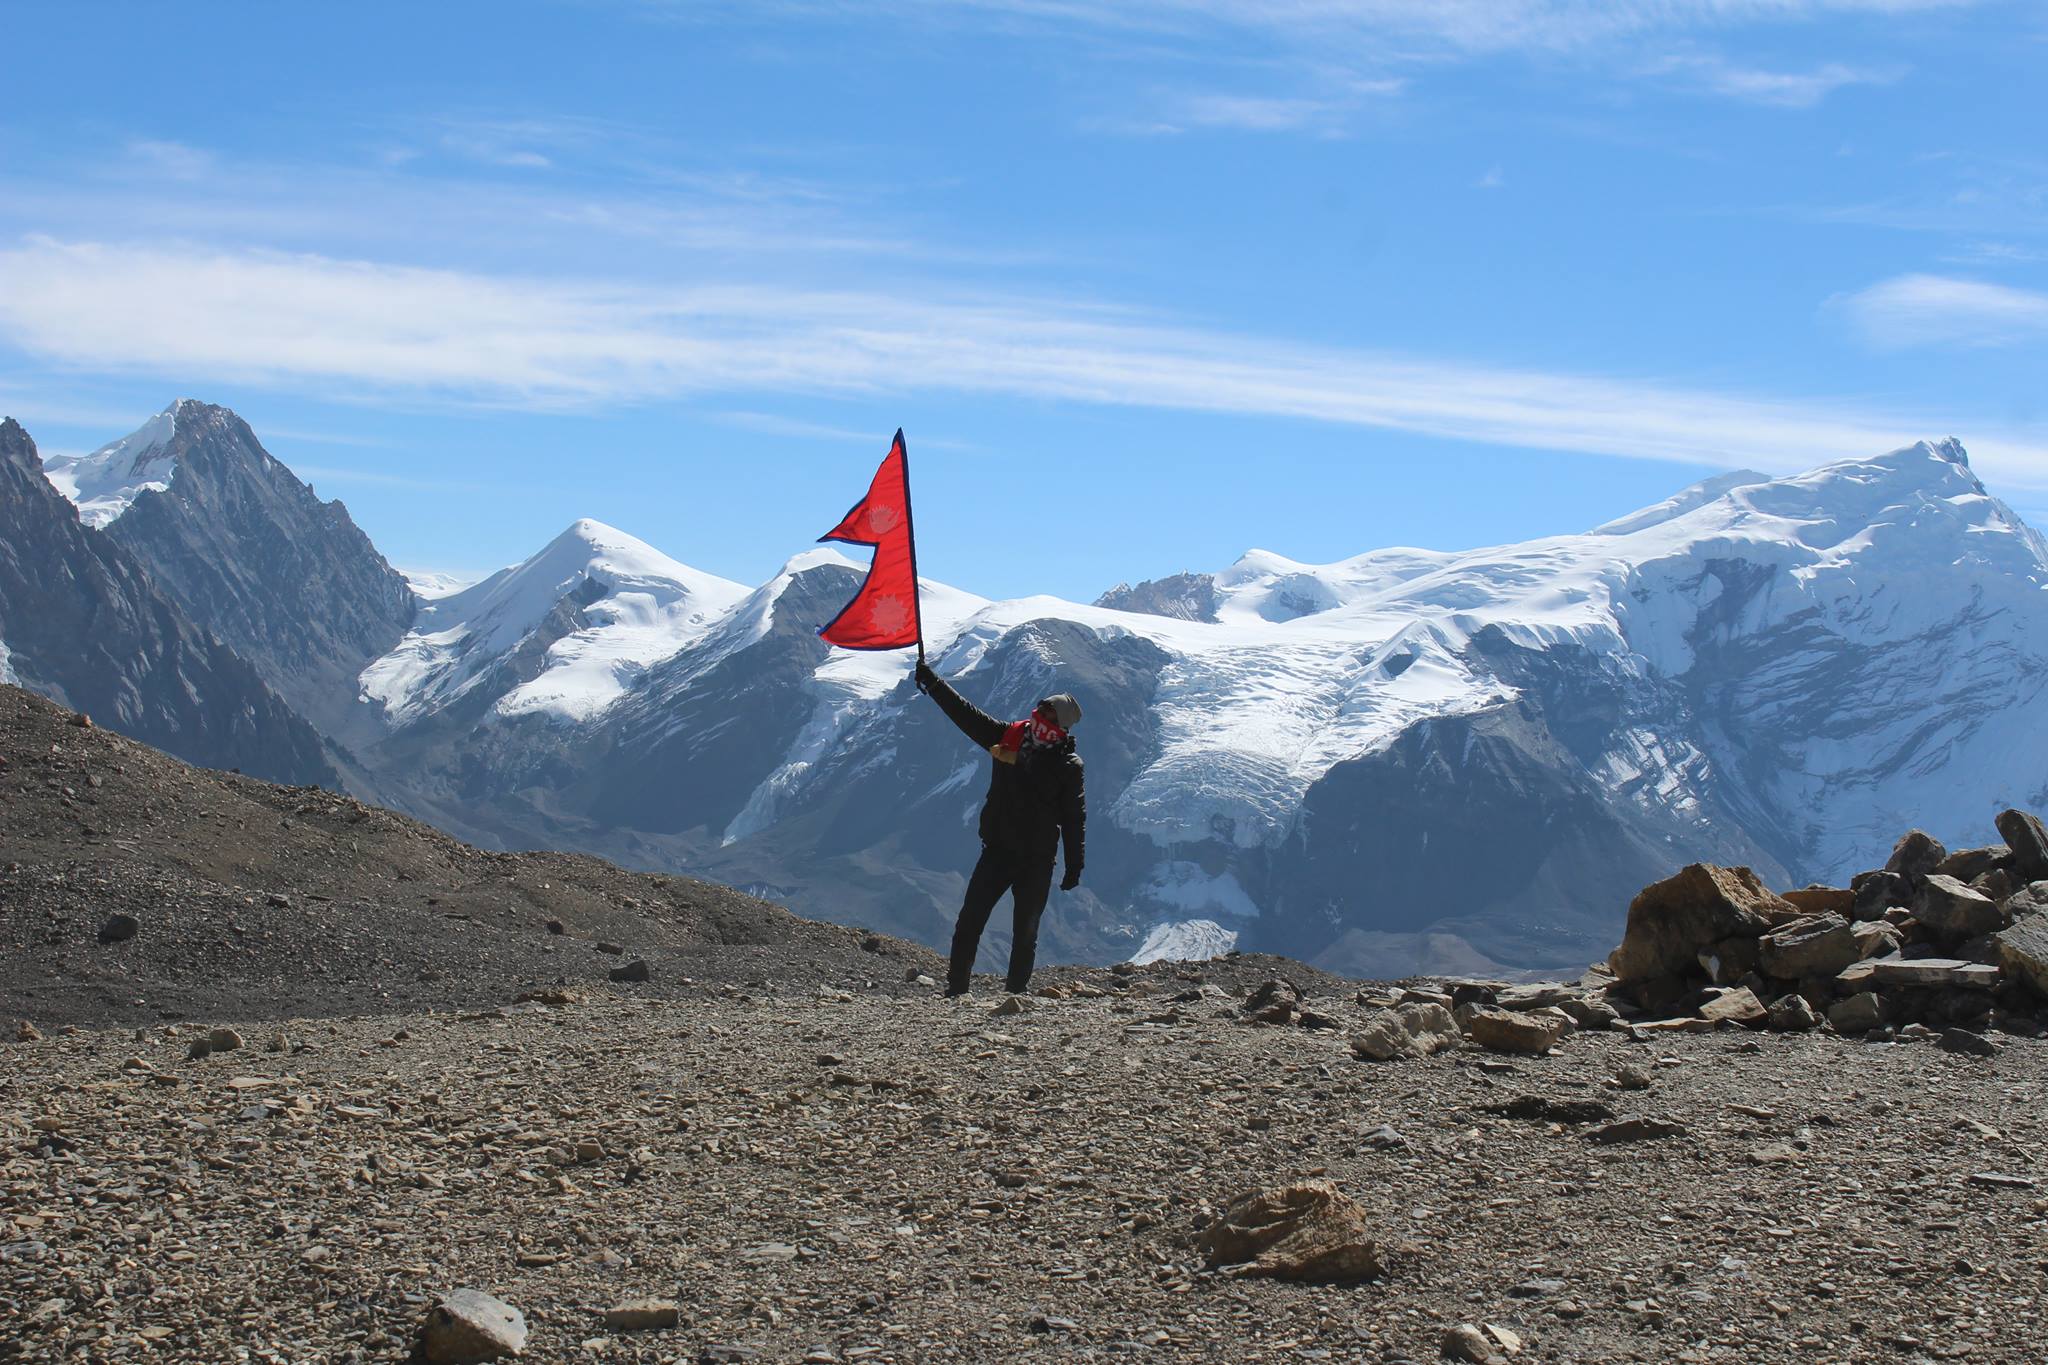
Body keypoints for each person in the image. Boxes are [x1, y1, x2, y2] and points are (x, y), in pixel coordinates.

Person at [914, 658, 1084, 997]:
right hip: (998, 850)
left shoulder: (1068, 766)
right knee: (969, 922)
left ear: (1063, 726)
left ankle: (1014, 998)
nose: (1041, 718)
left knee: (1025, 933)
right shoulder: (1009, 736)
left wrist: (1074, 865)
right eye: (1041, 710)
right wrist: (933, 685)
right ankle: (956, 991)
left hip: (1036, 860)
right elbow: (966, 715)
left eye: (1049, 715)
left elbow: (1073, 817)